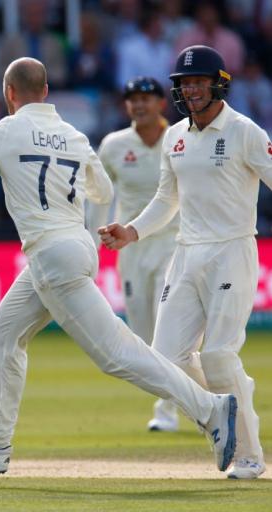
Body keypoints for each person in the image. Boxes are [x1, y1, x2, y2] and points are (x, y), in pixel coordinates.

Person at [0, 57, 237, 476]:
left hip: (52, 255)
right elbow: (102, 188)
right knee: (4, 332)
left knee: (118, 355)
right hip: (72, 246)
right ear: (47, 92)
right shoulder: (72, 134)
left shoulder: (7, 129)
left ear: (9, 94)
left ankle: (210, 408)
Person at [99, 45, 270, 479]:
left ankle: (250, 457)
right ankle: (223, 406)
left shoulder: (245, 131)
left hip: (232, 249)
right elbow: (165, 200)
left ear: (219, 84)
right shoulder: (176, 136)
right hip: (186, 251)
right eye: (183, 83)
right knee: (166, 358)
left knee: (217, 355)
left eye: (197, 82)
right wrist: (131, 230)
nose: (190, 90)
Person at [88, 76, 184, 433]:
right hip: (131, 248)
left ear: (161, 103)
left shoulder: (181, 138)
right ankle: (200, 391)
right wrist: (90, 238)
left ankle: (167, 409)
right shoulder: (114, 145)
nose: (139, 105)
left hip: (174, 244)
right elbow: (96, 193)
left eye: (146, 98)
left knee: (167, 324)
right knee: (143, 335)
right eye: (132, 99)